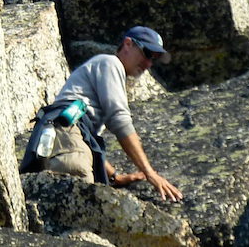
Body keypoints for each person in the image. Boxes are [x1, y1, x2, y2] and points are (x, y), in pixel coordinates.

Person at [21, 26, 183, 201]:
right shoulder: (110, 63)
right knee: (79, 191)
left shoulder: (102, 72)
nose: (149, 63)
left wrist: (114, 177)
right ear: (128, 44)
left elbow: (86, 141)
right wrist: (150, 173)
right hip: (66, 131)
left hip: (60, 136)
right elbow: (119, 120)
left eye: (154, 59)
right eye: (147, 53)